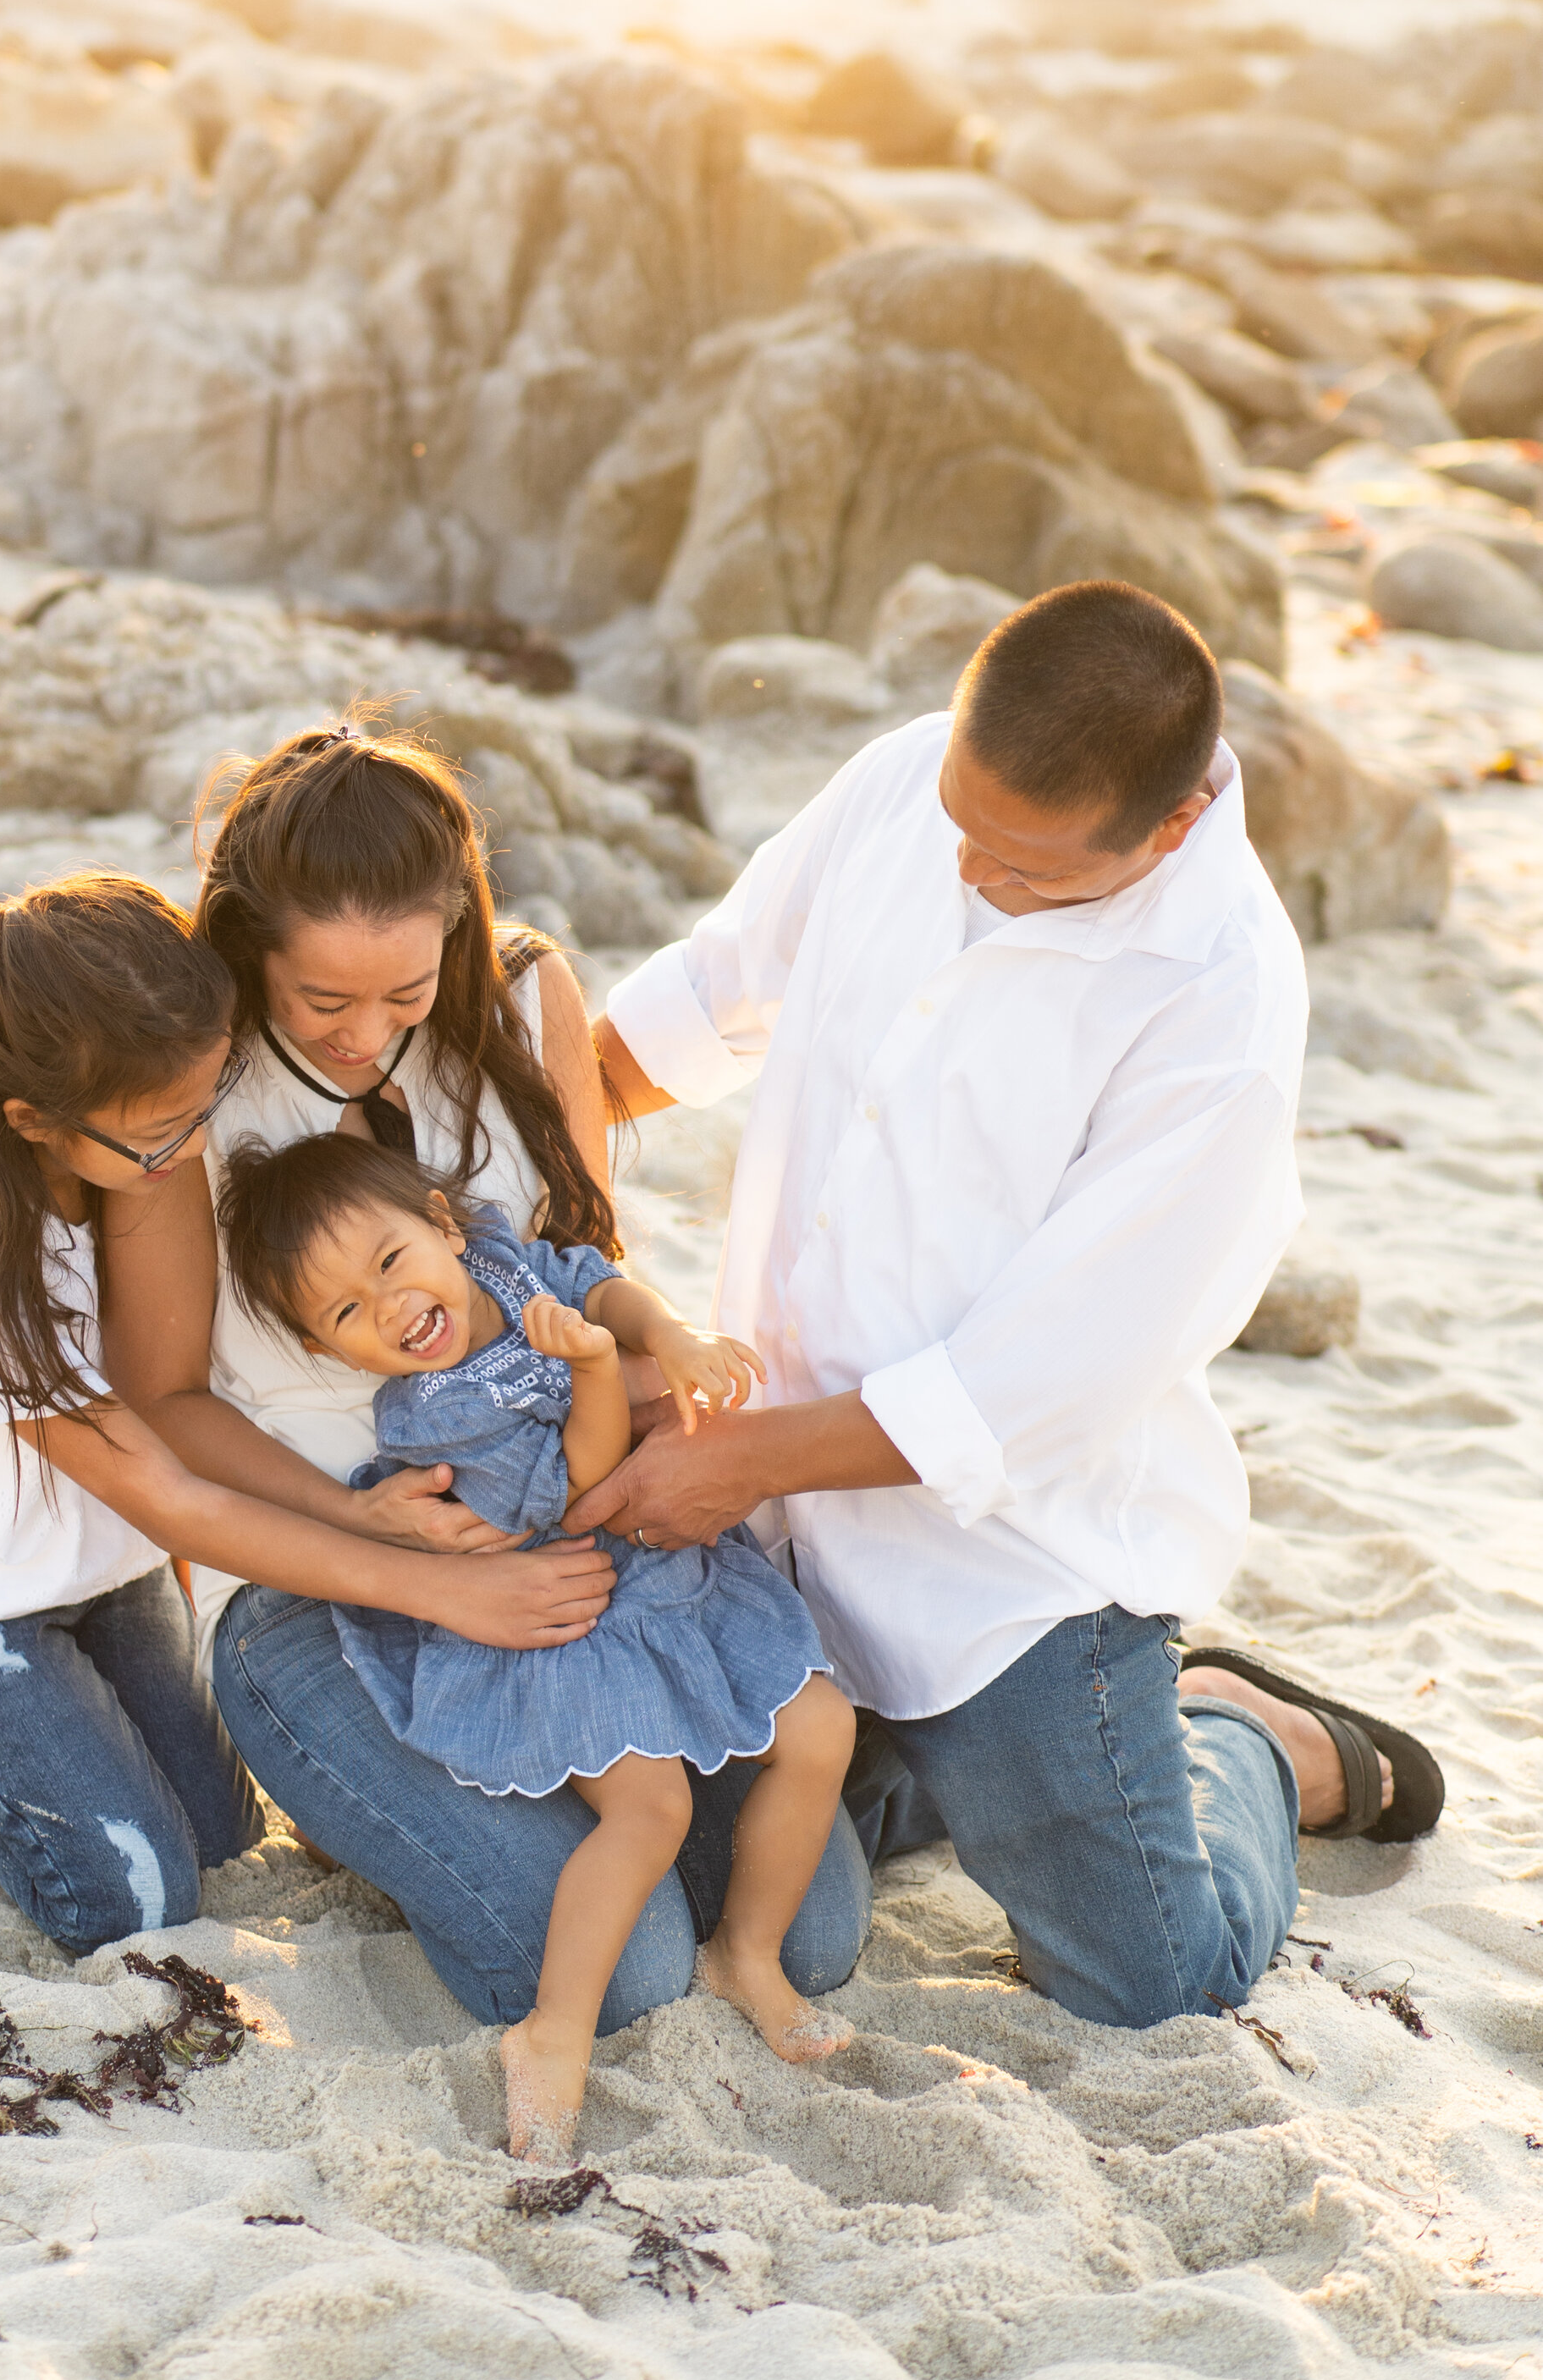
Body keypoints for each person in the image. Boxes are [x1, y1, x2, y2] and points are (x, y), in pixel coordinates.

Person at [572, 582, 1445, 2030]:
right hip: (785, 1530)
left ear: (1167, 831)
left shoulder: (1217, 1009)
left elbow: (1021, 1391)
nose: (974, 877)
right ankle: (928, 1769)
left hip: (1009, 1572)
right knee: (757, 1913)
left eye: (1029, 870)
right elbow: (695, 1009)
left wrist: (726, 1467)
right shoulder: (905, 785)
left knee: (1147, 1982)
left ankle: (1245, 1733)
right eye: (962, 830)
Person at [100, 720, 873, 2034]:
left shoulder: (523, 1000)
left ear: (456, 922)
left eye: (404, 993)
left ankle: (465, 1811)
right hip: (324, 1580)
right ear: (247, 946)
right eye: (322, 1000)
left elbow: (580, 1272)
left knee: (812, 1932)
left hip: (578, 1545)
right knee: (623, 1980)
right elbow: (163, 1405)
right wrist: (385, 1539)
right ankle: (381, 1795)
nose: (366, 1035)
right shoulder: (192, 1081)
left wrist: (653, 1387)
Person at [0, 871, 614, 1956]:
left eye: (206, 1105)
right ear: (31, 1119)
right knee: (131, 1905)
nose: (188, 1158)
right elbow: (172, 1496)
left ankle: (3, 1729)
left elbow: (162, 1458)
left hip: (96, 1562)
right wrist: (443, 1586)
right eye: (156, 1140)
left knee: (223, 1842)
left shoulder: (131, 1146)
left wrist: (359, 1513)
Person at [217, 1132, 853, 2157]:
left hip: (667, 1577)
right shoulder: (435, 1414)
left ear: (442, 1222)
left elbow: (601, 1287)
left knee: (821, 1727)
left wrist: (669, 1338)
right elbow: (574, 1480)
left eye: (390, 1262)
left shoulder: (506, 1264)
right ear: (328, 1352)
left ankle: (750, 1953)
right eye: (345, 1313)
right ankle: (551, 2036)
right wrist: (599, 1370)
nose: (390, 1308)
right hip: (566, 1614)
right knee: (651, 1808)